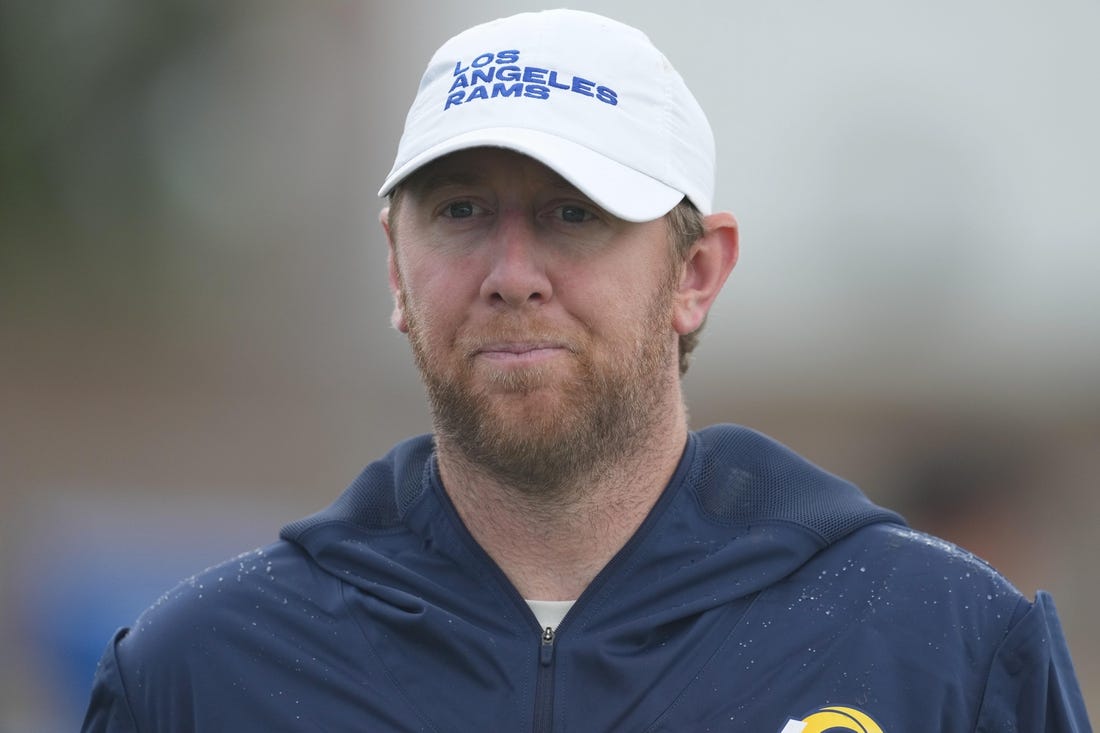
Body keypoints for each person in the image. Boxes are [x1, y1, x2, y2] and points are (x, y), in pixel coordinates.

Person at [82, 9, 1091, 732]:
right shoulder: (206, 672)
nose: (511, 276)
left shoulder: (936, 645)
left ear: (695, 273)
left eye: (574, 214)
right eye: (461, 211)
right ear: (395, 267)